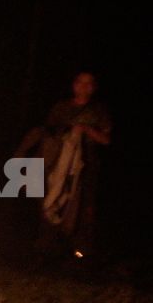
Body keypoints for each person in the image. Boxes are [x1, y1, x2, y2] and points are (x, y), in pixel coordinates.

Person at [16, 70, 112, 259]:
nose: (83, 86)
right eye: (80, 82)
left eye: (88, 83)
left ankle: (80, 252)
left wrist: (85, 130)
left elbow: (106, 139)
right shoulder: (62, 107)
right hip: (57, 162)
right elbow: (48, 130)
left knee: (83, 206)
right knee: (50, 198)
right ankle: (46, 247)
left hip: (86, 164)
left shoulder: (98, 110)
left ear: (93, 88)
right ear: (74, 85)